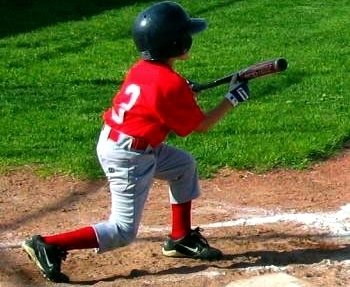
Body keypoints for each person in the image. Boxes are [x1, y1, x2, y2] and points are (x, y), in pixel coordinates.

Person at [21, 1, 250, 283]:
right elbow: (199, 126)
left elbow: (156, 99)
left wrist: (183, 92)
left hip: (126, 143)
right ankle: (50, 245)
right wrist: (232, 99)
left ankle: (180, 238)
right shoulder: (170, 85)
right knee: (122, 231)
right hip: (129, 156)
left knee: (183, 165)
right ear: (177, 43)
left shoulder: (143, 69)